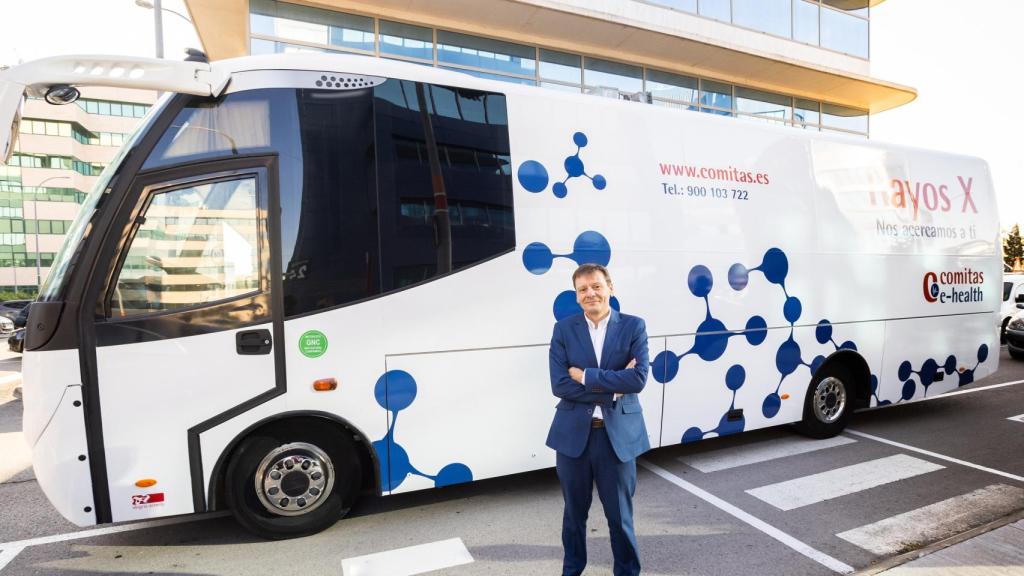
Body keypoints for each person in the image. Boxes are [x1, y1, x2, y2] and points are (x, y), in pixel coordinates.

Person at [546, 263, 651, 576]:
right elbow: (559, 385)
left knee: (620, 518)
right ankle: (572, 570)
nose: (590, 293)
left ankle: (628, 572)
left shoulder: (634, 326)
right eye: (582, 289)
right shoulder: (563, 330)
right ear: (576, 297)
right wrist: (613, 385)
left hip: (616, 437)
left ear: (610, 288)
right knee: (573, 516)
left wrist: (587, 377)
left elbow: (638, 380)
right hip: (572, 438)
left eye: (596, 286)